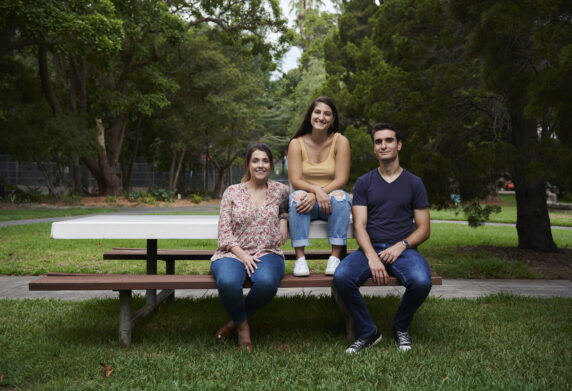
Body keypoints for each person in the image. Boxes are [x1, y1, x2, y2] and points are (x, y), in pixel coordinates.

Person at [333, 123, 432, 353]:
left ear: (399, 145)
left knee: (421, 281)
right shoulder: (365, 182)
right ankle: (368, 332)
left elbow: (424, 229)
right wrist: (371, 257)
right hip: (371, 247)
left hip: (404, 250)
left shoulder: (414, 183)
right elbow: (359, 225)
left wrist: (401, 246)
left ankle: (400, 326)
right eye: (378, 142)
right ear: (374, 148)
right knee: (342, 277)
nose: (383, 145)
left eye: (388, 140)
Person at [210, 143, 289, 352]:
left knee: (266, 282)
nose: (260, 165)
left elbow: (290, 207)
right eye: (256, 160)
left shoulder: (281, 191)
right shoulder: (232, 192)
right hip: (233, 253)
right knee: (227, 281)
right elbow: (224, 232)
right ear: (248, 165)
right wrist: (243, 255)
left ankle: (232, 323)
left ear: (271, 166)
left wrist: (283, 218)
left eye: (265, 161)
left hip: (268, 252)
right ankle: (243, 328)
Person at [287, 96, 352, 277]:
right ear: (310, 115)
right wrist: (316, 191)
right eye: (317, 112)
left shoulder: (341, 142)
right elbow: (296, 180)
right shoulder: (296, 143)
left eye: (327, 114)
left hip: (330, 204)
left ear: (333, 119)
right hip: (307, 203)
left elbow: (341, 178)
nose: (321, 117)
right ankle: (300, 260)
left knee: (341, 197)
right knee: (297, 196)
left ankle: (335, 258)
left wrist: (320, 194)